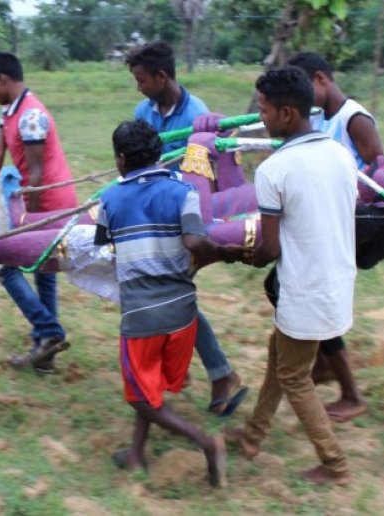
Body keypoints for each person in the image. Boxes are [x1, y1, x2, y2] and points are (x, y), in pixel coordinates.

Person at [225, 67, 356, 485]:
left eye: (262, 110)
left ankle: (334, 464)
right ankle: (251, 437)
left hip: (304, 290)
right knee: (280, 358)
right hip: (335, 282)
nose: (259, 117)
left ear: (285, 113)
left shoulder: (274, 170)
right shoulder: (338, 153)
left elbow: (269, 249)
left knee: (295, 376)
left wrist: (229, 252)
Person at [95, 120, 243, 487]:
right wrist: (223, 252)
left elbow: (102, 243)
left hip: (142, 315)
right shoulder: (182, 192)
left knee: (139, 397)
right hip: (183, 315)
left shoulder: (110, 197)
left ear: (121, 158)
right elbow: (195, 241)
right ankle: (135, 453)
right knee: (149, 385)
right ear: (160, 154)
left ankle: (206, 443)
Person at [126, 41, 247, 417]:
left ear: (162, 77)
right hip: (149, 219)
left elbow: (205, 182)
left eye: (142, 80)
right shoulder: (142, 112)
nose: (139, 87)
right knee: (168, 296)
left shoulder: (199, 118)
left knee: (170, 297)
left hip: (184, 221)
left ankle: (216, 373)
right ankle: (202, 372)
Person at [284, 51, 384, 422]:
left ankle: (350, 392)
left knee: (312, 298)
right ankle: (328, 368)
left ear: (321, 79)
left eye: (304, 89)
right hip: (320, 226)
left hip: (342, 229)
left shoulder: (353, 120)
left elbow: (380, 182)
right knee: (288, 289)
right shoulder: (318, 118)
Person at [0, 52, 77, 374]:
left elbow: (34, 176)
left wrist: (25, 224)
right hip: (36, 201)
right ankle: (45, 353)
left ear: (3, 79)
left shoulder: (31, 116)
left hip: (49, 204)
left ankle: (48, 333)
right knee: (44, 276)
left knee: (5, 264)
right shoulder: (7, 112)